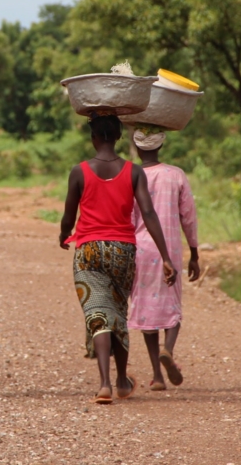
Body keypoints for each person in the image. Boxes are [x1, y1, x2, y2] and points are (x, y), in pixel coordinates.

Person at [59, 113, 177, 405]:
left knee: (98, 313)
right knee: (119, 314)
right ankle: (122, 380)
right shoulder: (134, 170)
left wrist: (63, 235)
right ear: (119, 137)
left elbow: (68, 214)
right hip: (123, 251)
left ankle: (104, 384)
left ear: (93, 137)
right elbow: (148, 214)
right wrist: (165, 256)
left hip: (88, 250)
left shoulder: (79, 171)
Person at [128, 126, 200, 391]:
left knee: (147, 308)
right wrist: (194, 252)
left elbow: (128, 217)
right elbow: (188, 216)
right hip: (168, 246)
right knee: (171, 304)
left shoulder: (131, 175)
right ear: (160, 146)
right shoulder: (175, 175)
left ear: (136, 148)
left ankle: (157, 376)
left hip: (140, 249)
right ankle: (167, 349)